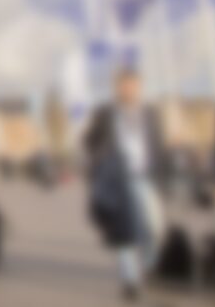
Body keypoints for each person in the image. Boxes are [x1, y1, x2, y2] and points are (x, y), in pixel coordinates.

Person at [84, 69, 167, 303]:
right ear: (117, 88)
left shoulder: (151, 113)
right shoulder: (105, 113)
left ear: (139, 87)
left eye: (132, 85)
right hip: (118, 177)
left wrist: (164, 174)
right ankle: (130, 279)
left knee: (155, 226)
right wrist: (100, 160)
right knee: (124, 230)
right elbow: (89, 141)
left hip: (146, 176)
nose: (128, 89)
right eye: (123, 85)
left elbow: (158, 144)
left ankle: (148, 265)